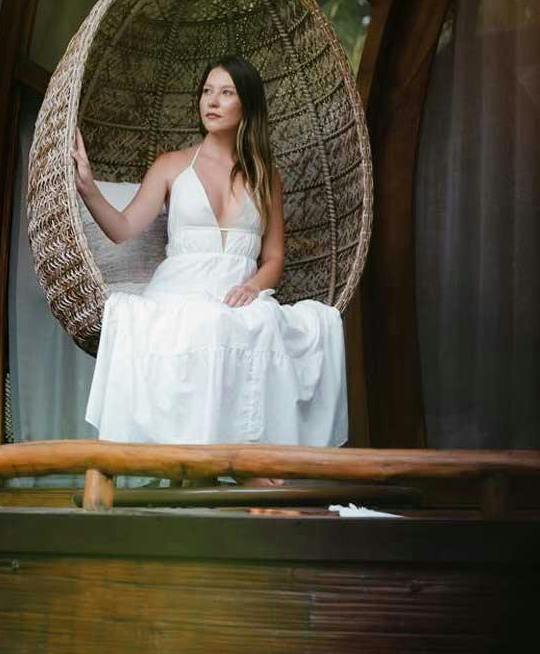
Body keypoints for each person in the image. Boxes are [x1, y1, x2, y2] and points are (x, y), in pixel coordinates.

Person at [74, 55, 348, 448]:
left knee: (283, 325)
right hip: (180, 291)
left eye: (225, 93)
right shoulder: (171, 165)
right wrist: (88, 188)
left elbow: (273, 259)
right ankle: (224, 463)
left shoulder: (266, 176)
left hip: (239, 294)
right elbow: (122, 229)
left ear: (247, 105)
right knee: (207, 321)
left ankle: (253, 457)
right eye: (206, 91)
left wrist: (253, 287)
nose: (211, 102)